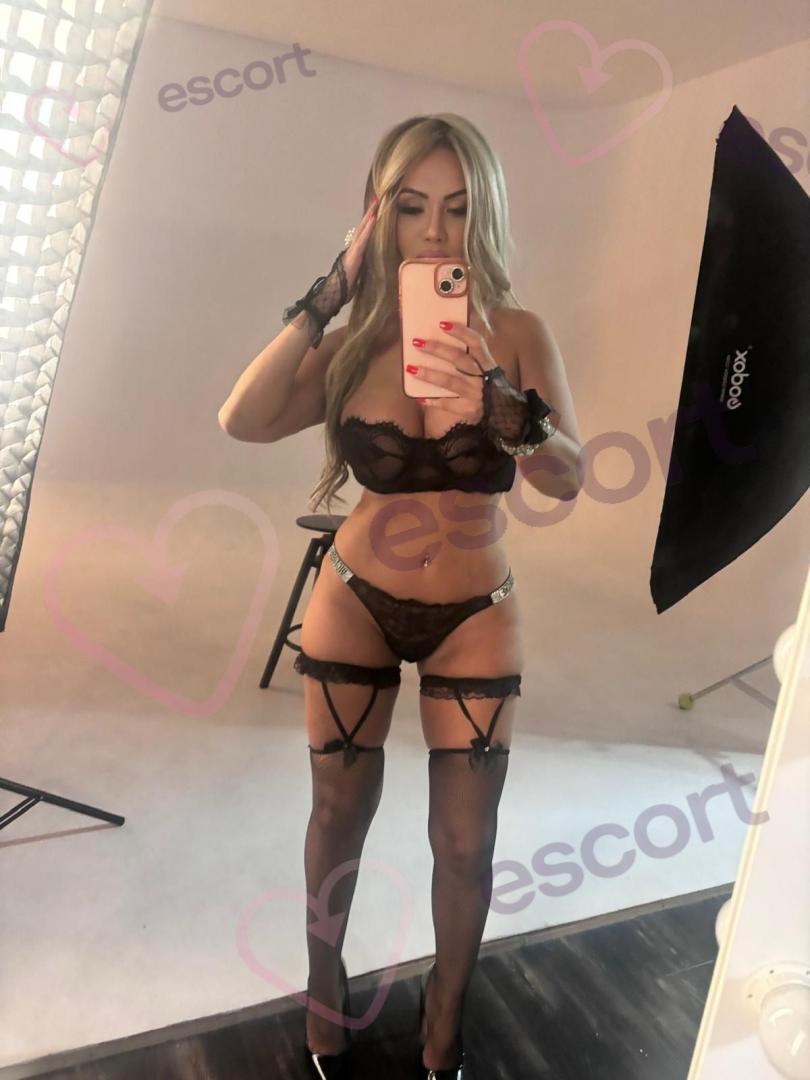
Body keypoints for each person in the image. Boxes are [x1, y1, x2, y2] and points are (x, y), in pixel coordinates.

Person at [218, 113, 581, 1080]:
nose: (434, 232)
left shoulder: (519, 335)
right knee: (336, 818)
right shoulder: (352, 344)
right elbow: (242, 417)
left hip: (476, 612)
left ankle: (443, 1027)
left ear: (484, 214)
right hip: (355, 597)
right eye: (411, 207)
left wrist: (505, 411)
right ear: (377, 217)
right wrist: (329, 293)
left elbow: (570, 479)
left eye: (456, 209)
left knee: (465, 845)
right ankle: (323, 1003)